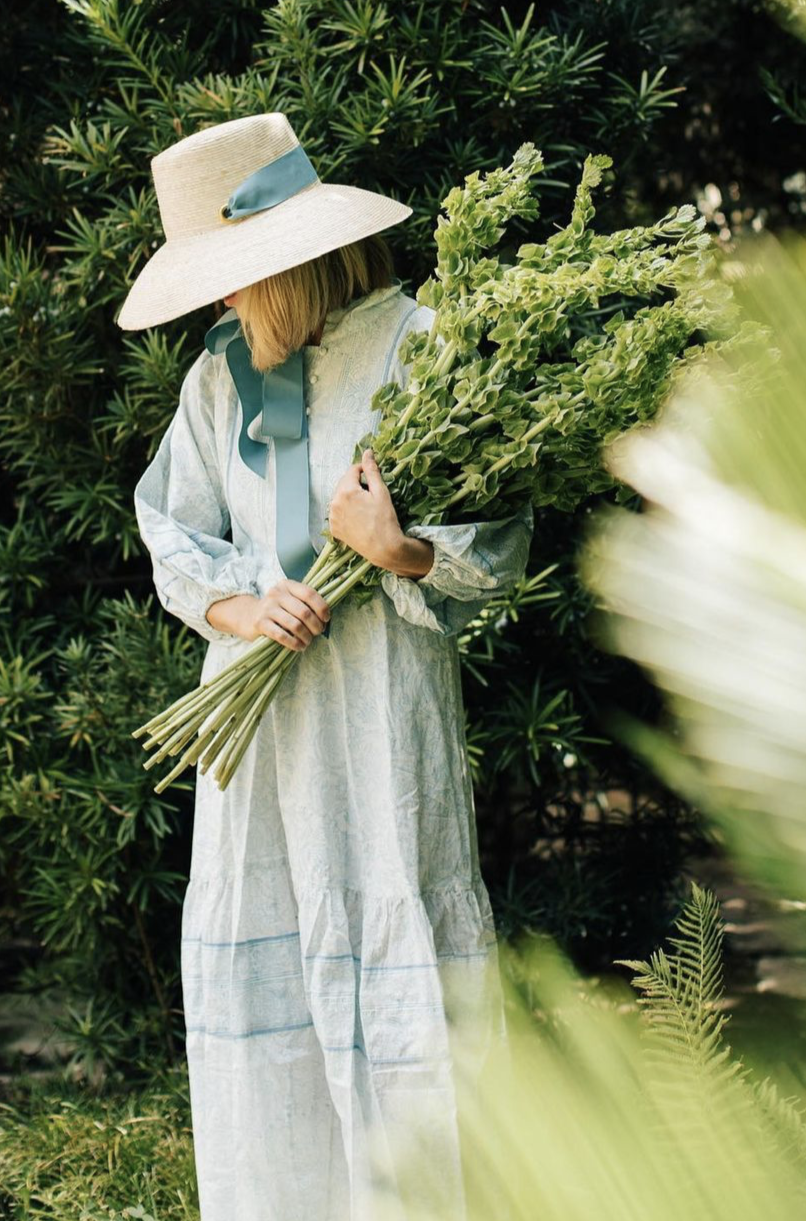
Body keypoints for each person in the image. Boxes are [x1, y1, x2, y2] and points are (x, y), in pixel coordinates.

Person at [120, 112, 534, 1221]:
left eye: (231, 278)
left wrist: (393, 550)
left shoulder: (426, 345)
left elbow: (496, 545)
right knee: (274, 969)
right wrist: (242, 605)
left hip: (376, 715)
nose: (218, 304)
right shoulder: (219, 377)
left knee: (397, 950)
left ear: (293, 259)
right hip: (255, 735)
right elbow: (170, 523)